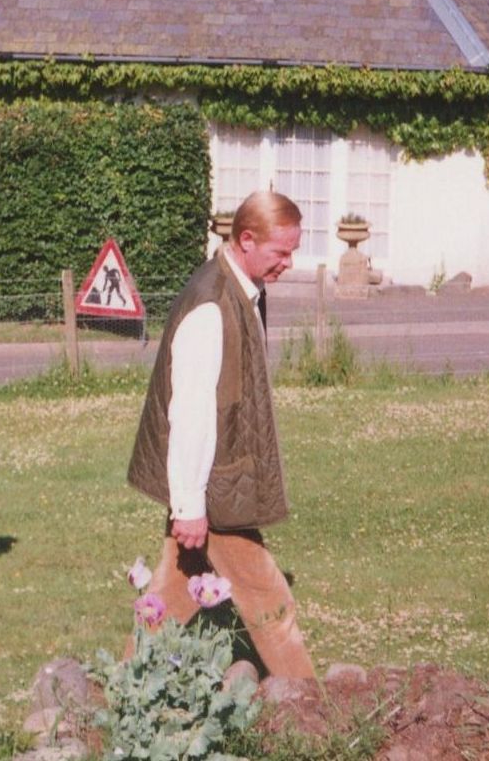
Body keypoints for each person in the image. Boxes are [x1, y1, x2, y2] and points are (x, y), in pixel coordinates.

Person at [125, 190, 316, 679]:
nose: (288, 263)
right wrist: (189, 505)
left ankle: (124, 686)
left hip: (215, 478)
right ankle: (310, 711)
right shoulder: (212, 307)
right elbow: (189, 412)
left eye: (292, 252)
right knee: (270, 599)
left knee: (170, 594)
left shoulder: (240, 290)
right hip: (215, 483)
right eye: (281, 253)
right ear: (247, 240)